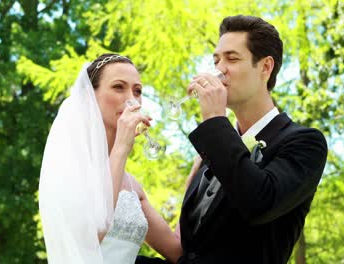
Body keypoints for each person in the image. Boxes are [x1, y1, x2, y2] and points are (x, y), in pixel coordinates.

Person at [138, 15, 327, 264]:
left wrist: (216, 121)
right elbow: (187, 251)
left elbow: (259, 203)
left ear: (265, 68)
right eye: (216, 60)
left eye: (232, 59)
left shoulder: (305, 143)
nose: (219, 70)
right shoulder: (209, 154)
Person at [39, 53, 182, 264]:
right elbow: (90, 237)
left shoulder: (133, 186)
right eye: (118, 87)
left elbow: (177, 251)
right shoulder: (69, 171)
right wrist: (122, 146)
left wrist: (194, 181)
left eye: (138, 91)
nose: (132, 99)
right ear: (90, 97)